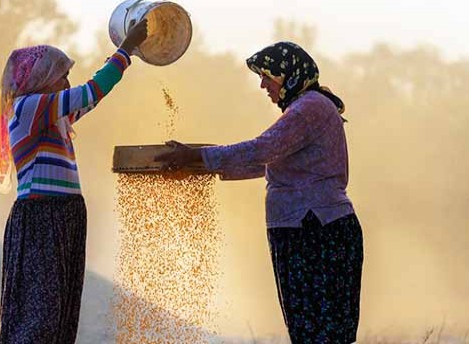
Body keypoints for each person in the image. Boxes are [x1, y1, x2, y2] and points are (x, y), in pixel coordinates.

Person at [156, 41, 364, 344]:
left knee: (318, 332)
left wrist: (198, 157)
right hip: (307, 227)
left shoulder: (309, 108)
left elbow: (262, 149)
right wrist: (199, 165)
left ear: (288, 74)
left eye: (267, 76)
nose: (264, 85)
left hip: (315, 229)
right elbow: (267, 163)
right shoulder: (307, 107)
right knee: (313, 331)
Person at [0, 19, 148, 344]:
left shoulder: (54, 114)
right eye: (61, 75)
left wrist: (121, 57)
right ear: (41, 78)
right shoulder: (28, 107)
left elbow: (91, 96)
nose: (66, 81)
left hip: (65, 216)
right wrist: (126, 50)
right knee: (39, 316)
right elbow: (90, 90)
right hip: (41, 217)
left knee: (61, 312)